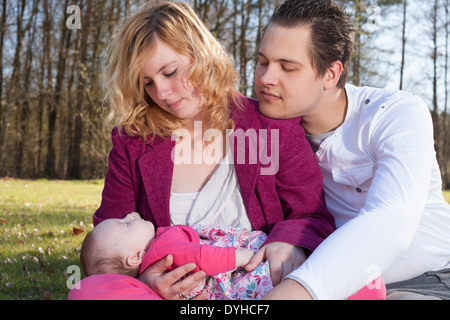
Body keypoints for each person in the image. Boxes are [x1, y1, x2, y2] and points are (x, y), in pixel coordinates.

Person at [69, 1, 335, 300]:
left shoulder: (271, 127)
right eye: (147, 83)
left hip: (261, 290)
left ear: (202, 54)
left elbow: (311, 215)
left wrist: (290, 243)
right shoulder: (132, 141)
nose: (162, 93)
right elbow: (111, 236)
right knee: (87, 293)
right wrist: (144, 279)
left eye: (170, 72)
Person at [256, 0, 450, 300]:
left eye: (287, 67)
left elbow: (390, 219)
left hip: (425, 282)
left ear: (331, 74)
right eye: (263, 61)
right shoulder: (259, 129)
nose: (266, 77)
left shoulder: (395, 114)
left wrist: (297, 292)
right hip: (335, 288)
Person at [78, 212, 273, 300]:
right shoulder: (162, 247)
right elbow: (203, 258)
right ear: (136, 256)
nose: (131, 214)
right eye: (126, 224)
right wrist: (242, 256)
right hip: (241, 263)